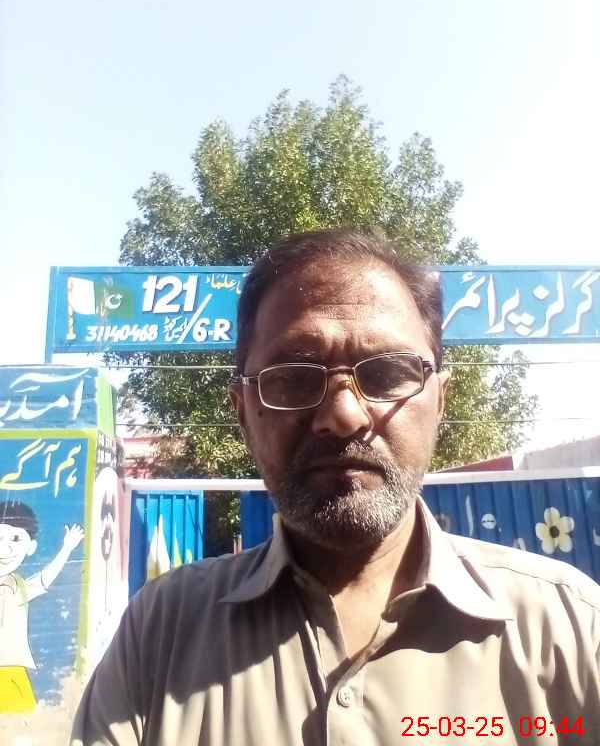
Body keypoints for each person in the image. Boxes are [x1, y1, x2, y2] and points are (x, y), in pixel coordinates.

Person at [71, 229, 600, 745]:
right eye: (293, 377)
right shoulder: (161, 631)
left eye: (386, 374)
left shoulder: (567, 628)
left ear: (440, 401)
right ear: (242, 413)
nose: (343, 416)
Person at [0, 500, 84, 712]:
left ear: (31, 547)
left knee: (19, 718)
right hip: (12, 673)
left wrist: (67, 548)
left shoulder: (18, 587)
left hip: (13, 672)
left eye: (15, 538)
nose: (4, 548)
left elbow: (43, 579)